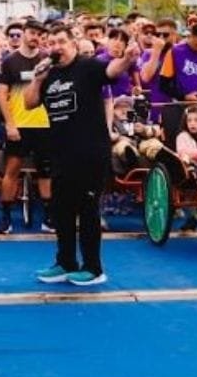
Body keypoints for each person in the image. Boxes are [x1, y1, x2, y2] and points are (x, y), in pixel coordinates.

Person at [24, 25, 141, 287]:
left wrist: (127, 59)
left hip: (90, 153)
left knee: (87, 210)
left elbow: (112, 70)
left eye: (61, 42)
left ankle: (93, 267)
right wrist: (37, 79)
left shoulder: (88, 67)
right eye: (51, 42)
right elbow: (29, 103)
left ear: (73, 44)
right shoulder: (49, 74)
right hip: (61, 153)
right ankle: (65, 262)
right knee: (61, 210)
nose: (56, 47)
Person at [0, 20, 53, 235]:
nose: (34, 37)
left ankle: (48, 217)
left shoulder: (47, 61)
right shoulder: (9, 62)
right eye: (31, 32)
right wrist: (10, 124)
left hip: (44, 125)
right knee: (12, 171)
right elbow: (1, 95)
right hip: (19, 125)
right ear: (24, 33)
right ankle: (6, 218)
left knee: (46, 172)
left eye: (39, 34)